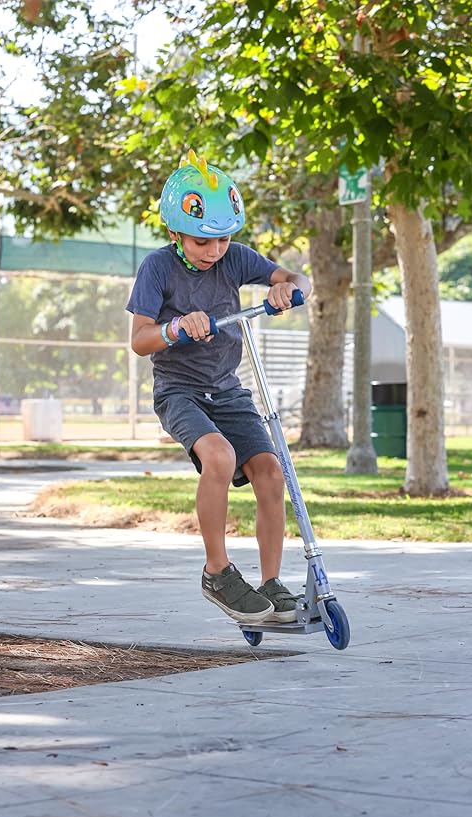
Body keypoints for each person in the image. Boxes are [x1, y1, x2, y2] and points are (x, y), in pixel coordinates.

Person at [127, 149, 312, 627]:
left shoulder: (234, 260)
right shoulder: (157, 268)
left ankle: (271, 584)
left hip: (228, 390)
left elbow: (298, 279)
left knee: (270, 472)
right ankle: (217, 573)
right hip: (180, 392)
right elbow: (140, 340)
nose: (214, 251)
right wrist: (175, 328)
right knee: (220, 457)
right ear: (175, 234)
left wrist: (287, 288)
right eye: (201, 241)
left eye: (223, 239)